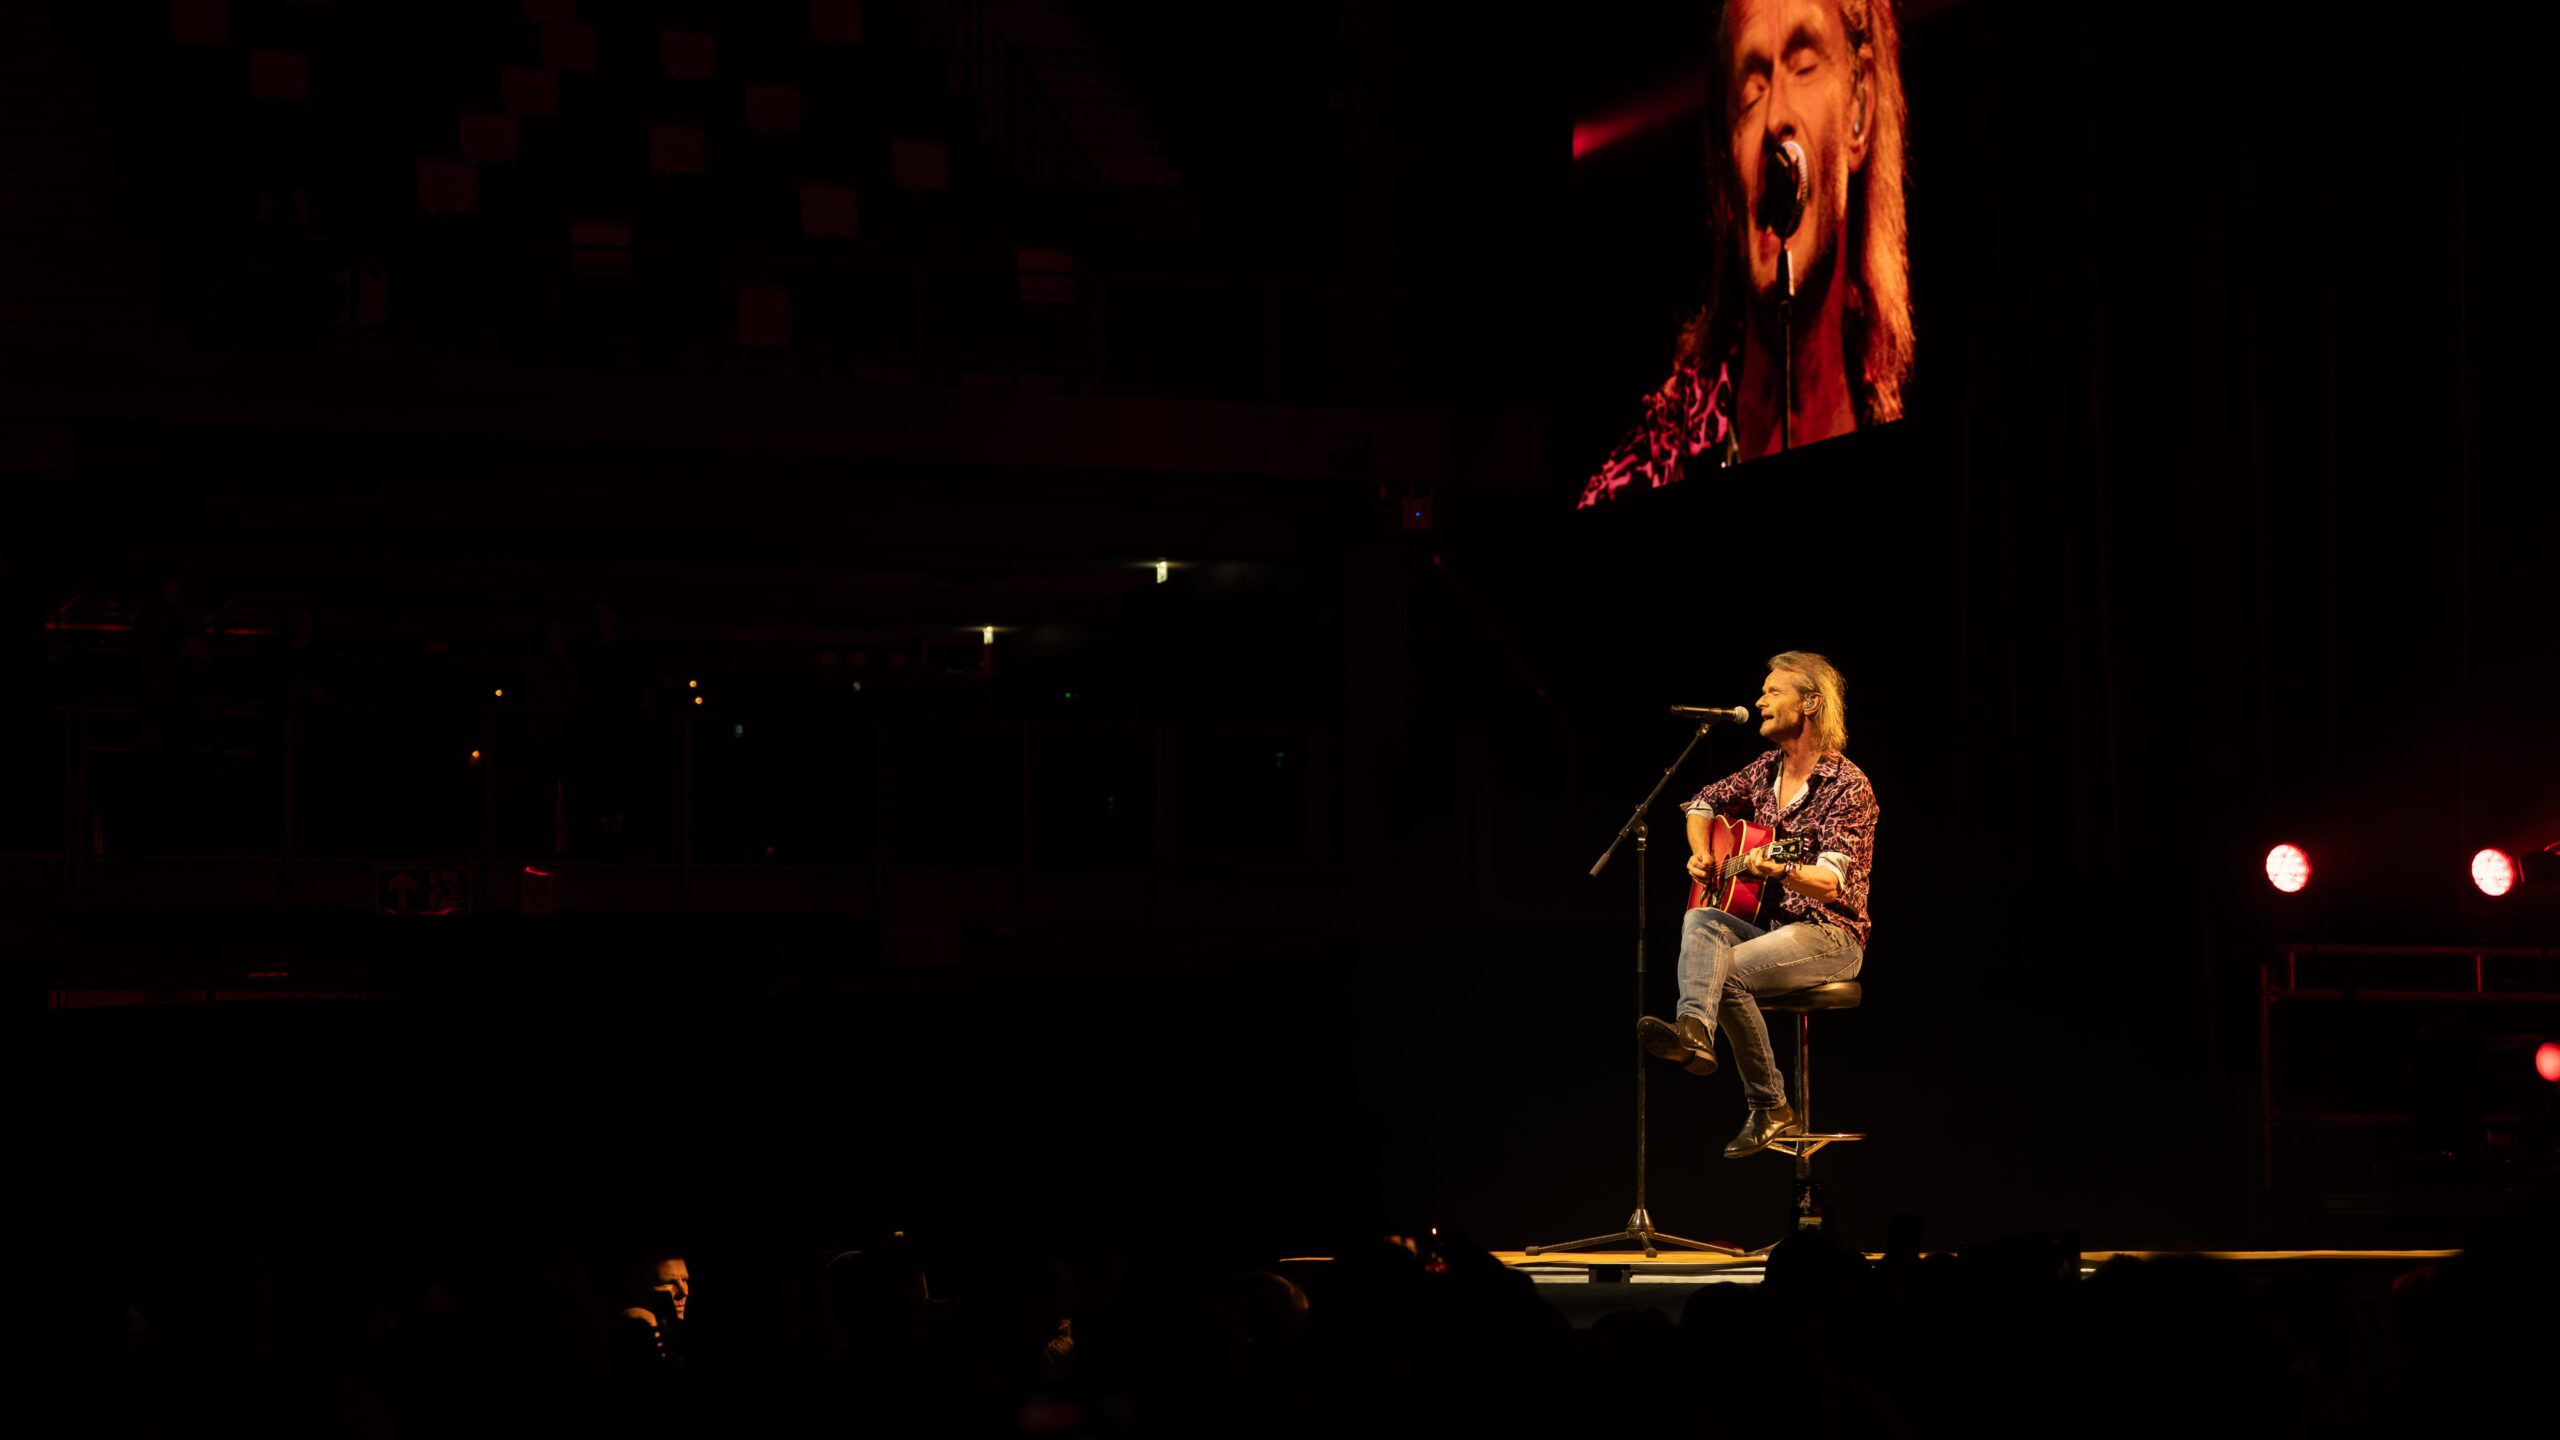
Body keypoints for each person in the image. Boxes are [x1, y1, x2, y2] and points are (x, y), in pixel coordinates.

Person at [1580, 0, 1912, 506]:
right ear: (1723, 168)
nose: (1777, 115)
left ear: (1859, 110)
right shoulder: (1647, 472)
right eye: (1751, 91)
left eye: (1804, 66)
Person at [1638, 651, 1876, 1157]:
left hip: (1830, 934)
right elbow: (1701, 803)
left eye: (1772, 692)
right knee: (1702, 916)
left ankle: (1769, 1103)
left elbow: (1832, 883)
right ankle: (1694, 1031)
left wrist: (1784, 868)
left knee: (1725, 972)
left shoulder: (1847, 785)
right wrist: (1702, 853)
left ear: (1810, 703)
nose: (1759, 701)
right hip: (1774, 929)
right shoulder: (1765, 769)